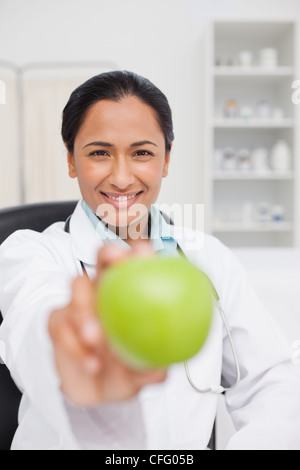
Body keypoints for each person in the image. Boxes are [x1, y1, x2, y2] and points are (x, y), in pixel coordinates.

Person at [0, 71, 299, 450]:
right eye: (99, 153)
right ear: (72, 160)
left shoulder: (207, 257)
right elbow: (35, 325)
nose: (122, 178)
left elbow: (271, 383)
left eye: (141, 152)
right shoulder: (29, 253)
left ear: (166, 160)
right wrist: (69, 351)